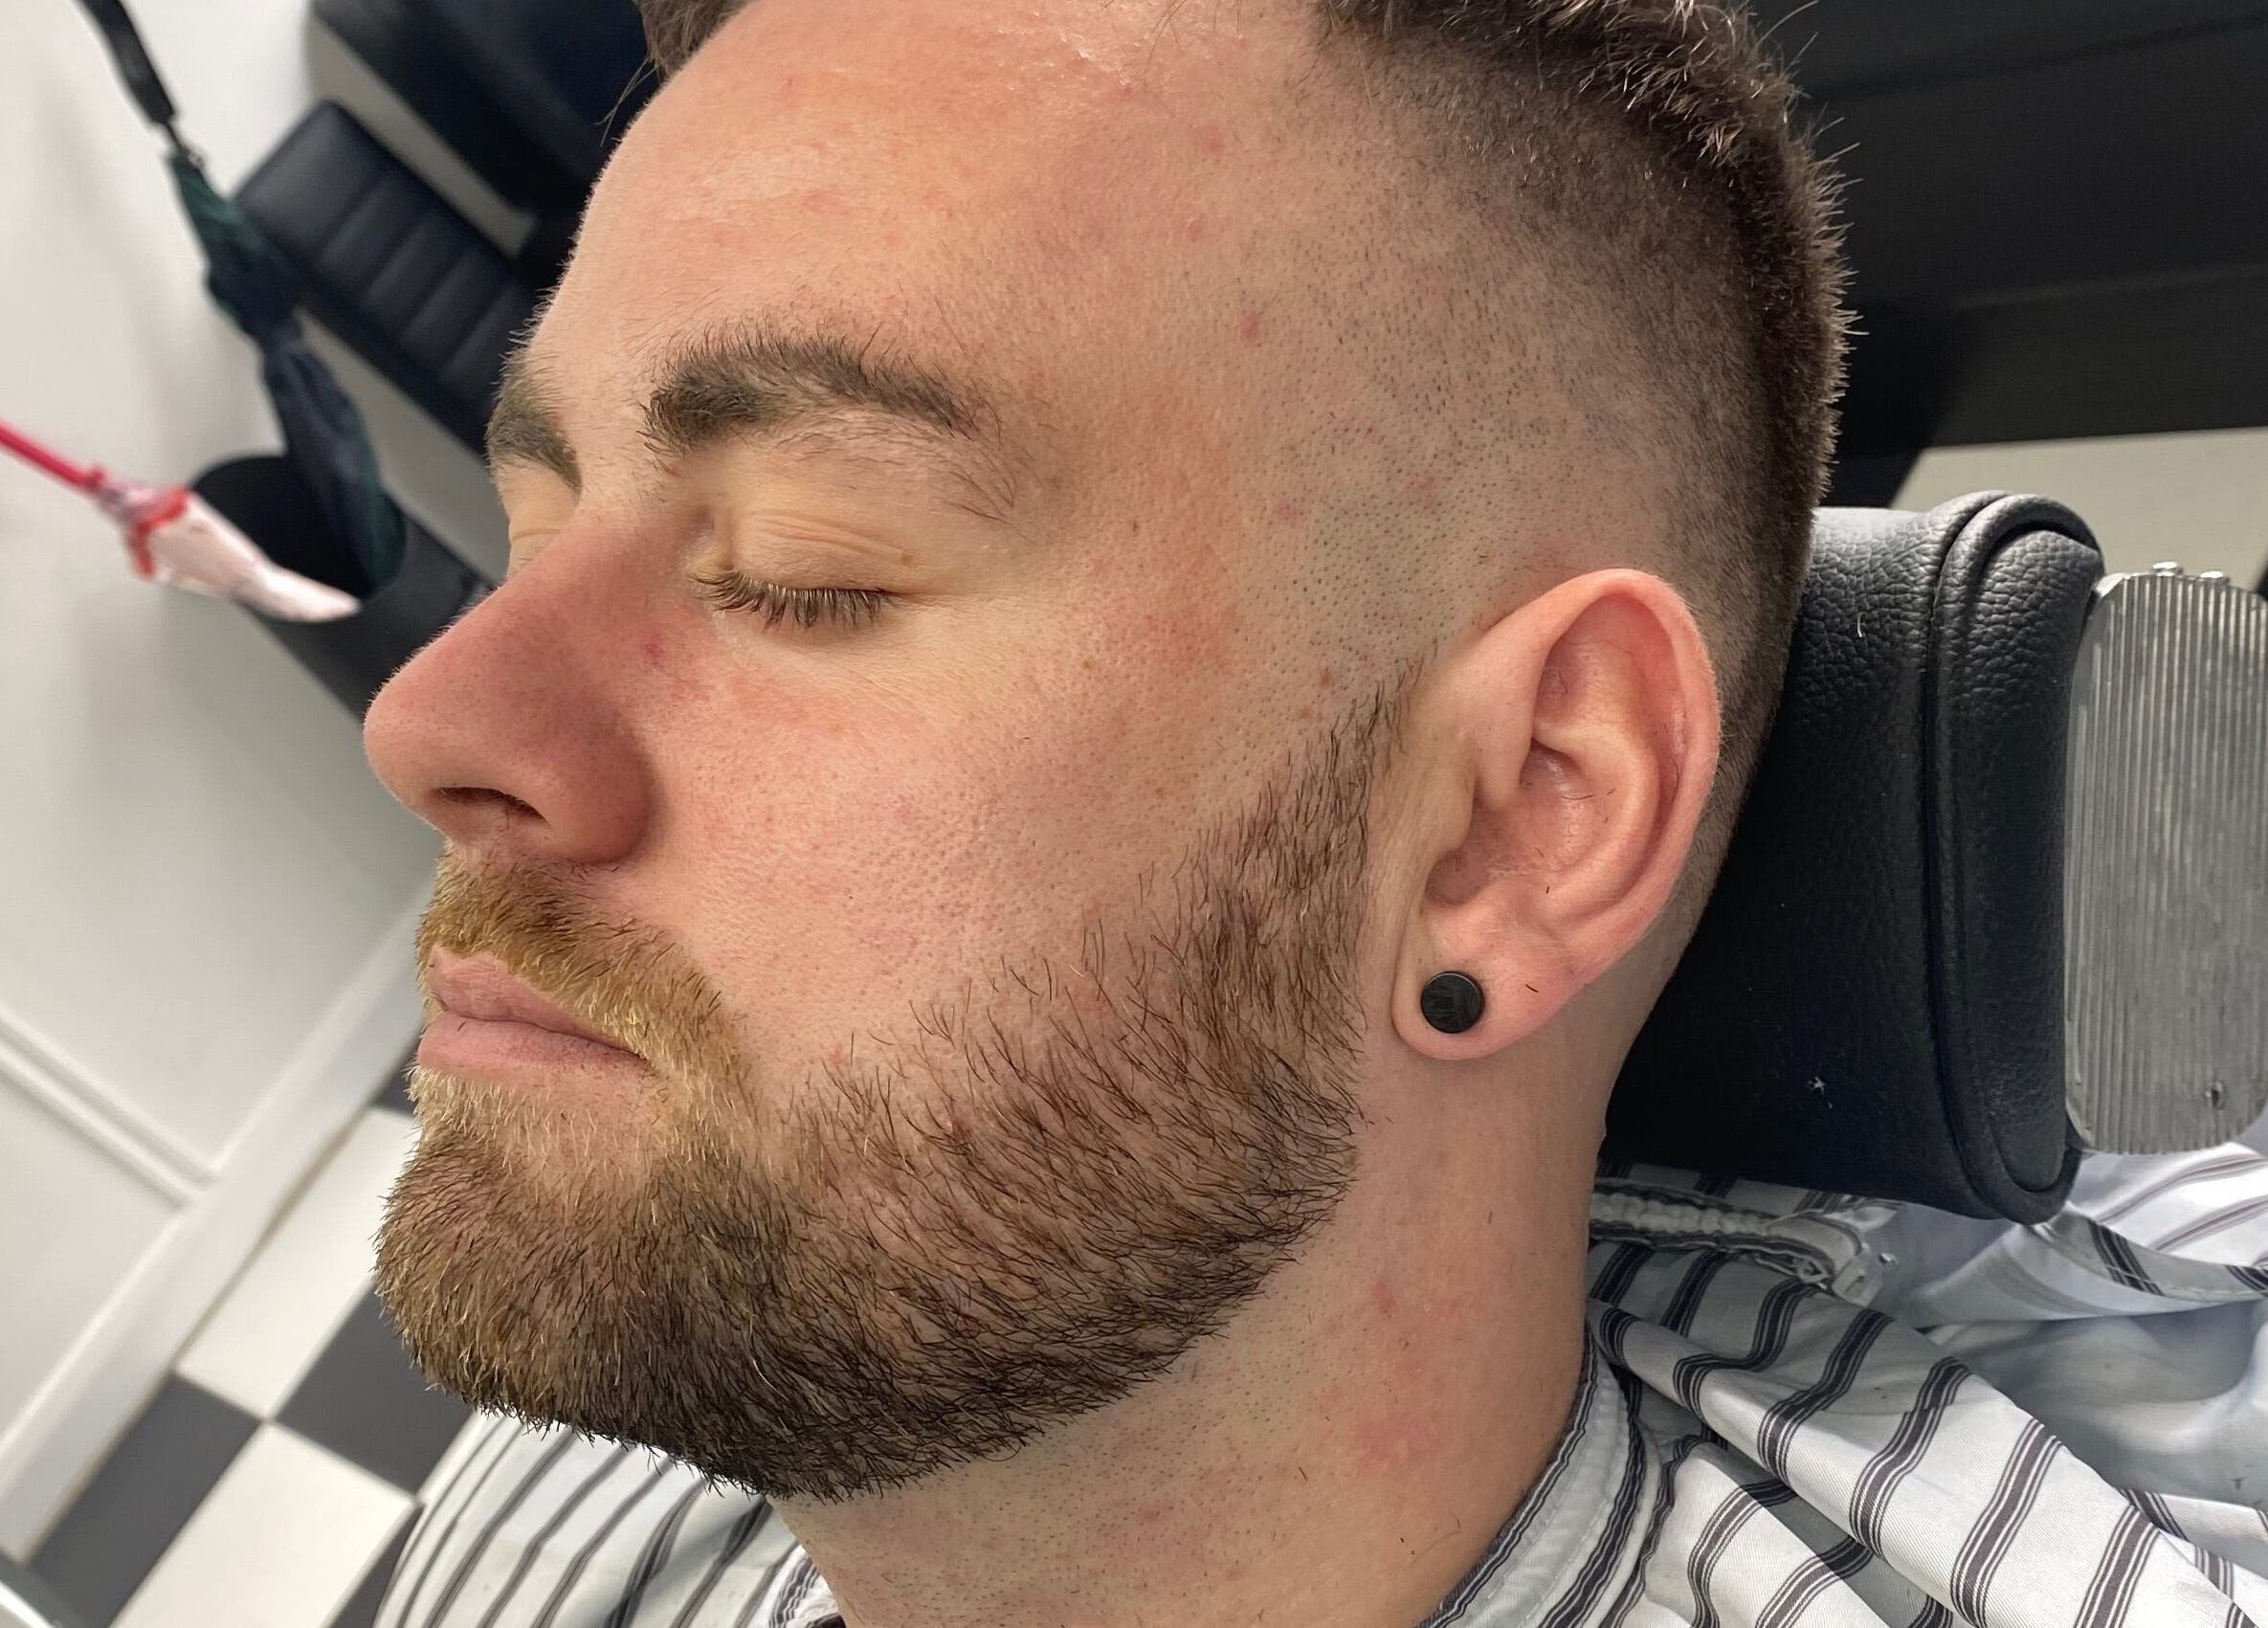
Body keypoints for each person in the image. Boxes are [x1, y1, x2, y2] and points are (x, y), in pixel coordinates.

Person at [357, 0, 2268, 1623]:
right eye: (537, 526)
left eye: (807, 565)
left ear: (1518, 818)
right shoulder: (620, 1414)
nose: (430, 714)